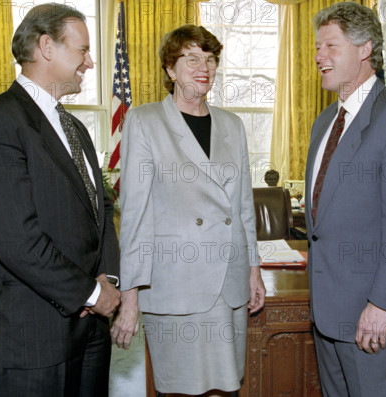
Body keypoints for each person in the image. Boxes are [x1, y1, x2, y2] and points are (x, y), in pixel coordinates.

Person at [0, 4, 120, 396]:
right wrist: (92, 294)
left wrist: (108, 280)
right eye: (82, 50)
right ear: (46, 47)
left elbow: (102, 212)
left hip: (92, 332)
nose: (91, 62)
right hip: (36, 336)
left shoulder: (75, 127)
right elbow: (18, 241)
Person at [110, 24, 266, 396]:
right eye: (192, 58)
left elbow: (244, 205)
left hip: (228, 282)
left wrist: (254, 269)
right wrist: (130, 297)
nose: (204, 68)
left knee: (226, 387)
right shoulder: (145, 121)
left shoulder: (232, 125)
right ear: (170, 68)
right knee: (179, 388)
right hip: (175, 285)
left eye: (211, 59)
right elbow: (135, 215)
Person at [304, 2, 386, 396]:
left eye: (330, 46)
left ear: (365, 49)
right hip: (328, 317)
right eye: (316, 47)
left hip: (374, 317)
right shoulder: (324, 122)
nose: (318, 57)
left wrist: (383, 306)